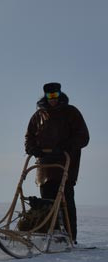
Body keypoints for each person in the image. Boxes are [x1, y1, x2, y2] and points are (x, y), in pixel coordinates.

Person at [24, 82, 89, 243]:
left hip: (65, 164)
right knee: (46, 202)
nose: (52, 99)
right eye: (49, 96)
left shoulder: (71, 112)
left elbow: (83, 136)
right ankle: (49, 234)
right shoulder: (39, 115)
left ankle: (69, 237)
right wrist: (32, 148)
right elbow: (29, 136)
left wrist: (66, 146)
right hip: (45, 166)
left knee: (65, 200)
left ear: (60, 95)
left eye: (55, 95)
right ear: (45, 96)